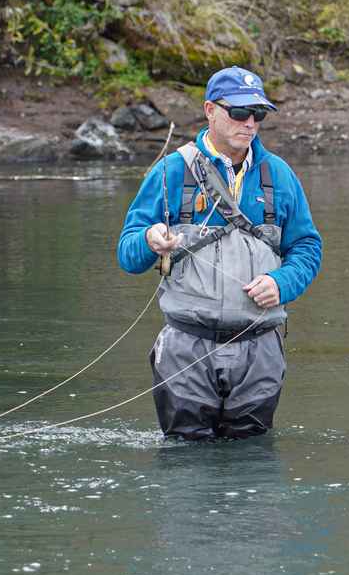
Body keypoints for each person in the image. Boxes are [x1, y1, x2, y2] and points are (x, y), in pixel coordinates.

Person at [116, 66, 322, 440]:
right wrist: (148, 239)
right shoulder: (170, 171)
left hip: (260, 348)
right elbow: (128, 256)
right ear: (210, 109)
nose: (250, 123)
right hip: (185, 348)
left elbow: (307, 248)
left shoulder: (279, 175)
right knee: (185, 461)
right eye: (239, 113)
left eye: (258, 114)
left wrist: (282, 283)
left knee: (252, 463)